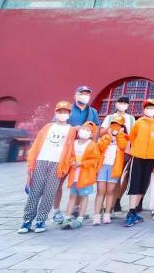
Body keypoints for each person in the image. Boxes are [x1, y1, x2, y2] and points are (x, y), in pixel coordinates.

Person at [18, 101, 76, 234]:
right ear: (56, 113)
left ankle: (41, 220)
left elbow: (70, 149)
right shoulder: (48, 127)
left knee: (49, 193)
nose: (62, 114)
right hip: (41, 160)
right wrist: (31, 163)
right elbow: (37, 144)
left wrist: (68, 163)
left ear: (69, 114)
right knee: (35, 192)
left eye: (65, 112)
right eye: (60, 111)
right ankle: (27, 220)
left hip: (57, 164)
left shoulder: (71, 130)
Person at [52, 85, 100, 224]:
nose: (85, 96)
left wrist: (93, 146)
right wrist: (73, 129)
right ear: (75, 96)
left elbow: (96, 129)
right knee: (58, 181)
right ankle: (56, 210)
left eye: (87, 94)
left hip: (82, 153)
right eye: (82, 93)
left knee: (79, 182)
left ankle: (76, 208)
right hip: (65, 151)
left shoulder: (92, 112)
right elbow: (55, 126)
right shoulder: (67, 109)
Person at [124, 98, 154, 227]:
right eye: (148, 108)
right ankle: (130, 212)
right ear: (144, 109)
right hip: (137, 157)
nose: (150, 110)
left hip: (150, 158)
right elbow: (132, 138)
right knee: (134, 185)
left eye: (152, 108)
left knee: (143, 185)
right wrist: (135, 151)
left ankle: (134, 211)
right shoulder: (138, 123)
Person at [61, 122, 101, 230]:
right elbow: (69, 155)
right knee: (72, 196)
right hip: (74, 175)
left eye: (88, 130)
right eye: (83, 129)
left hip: (86, 176)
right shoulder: (73, 143)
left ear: (91, 134)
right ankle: (67, 216)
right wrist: (72, 161)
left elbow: (96, 159)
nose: (85, 131)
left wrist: (82, 163)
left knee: (84, 196)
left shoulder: (92, 145)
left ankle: (80, 217)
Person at [100, 95, 135, 213]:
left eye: (125, 103)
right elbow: (101, 132)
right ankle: (102, 205)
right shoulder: (110, 117)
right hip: (109, 151)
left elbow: (133, 135)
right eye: (120, 102)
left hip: (124, 151)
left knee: (119, 179)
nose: (123, 105)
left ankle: (113, 204)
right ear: (116, 104)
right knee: (106, 179)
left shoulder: (131, 119)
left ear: (128, 105)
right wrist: (111, 130)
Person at [93, 115, 128, 225]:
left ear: (122, 127)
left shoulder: (123, 138)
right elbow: (100, 147)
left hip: (114, 168)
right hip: (103, 166)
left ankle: (107, 213)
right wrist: (109, 136)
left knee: (110, 191)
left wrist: (119, 135)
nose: (115, 128)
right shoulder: (105, 137)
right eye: (113, 125)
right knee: (100, 191)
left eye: (118, 126)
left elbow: (123, 146)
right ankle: (97, 215)